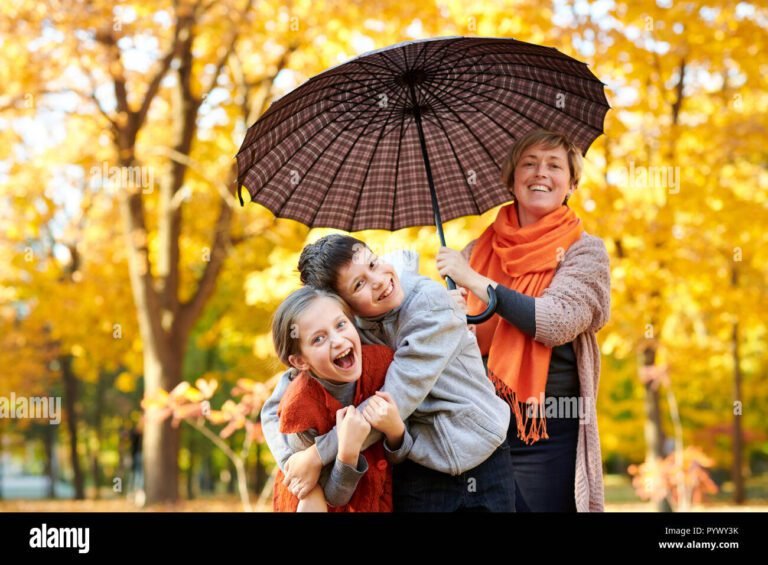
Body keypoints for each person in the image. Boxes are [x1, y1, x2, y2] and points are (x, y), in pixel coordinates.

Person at [262, 237, 515, 512]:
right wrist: (294, 466)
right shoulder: (347, 328)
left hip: (483, 452)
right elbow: (276, 405)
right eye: (358, 284)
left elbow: (395, 398)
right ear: (343, 305)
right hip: (416, 462)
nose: (379, 281)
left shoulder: (429, 303)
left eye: (373, 263)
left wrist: (316, 455)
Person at [436, 129, 611, 512]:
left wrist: (474, 281)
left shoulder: (586, 253)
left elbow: (555, 321)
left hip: (547, 431)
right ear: (512, 180)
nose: (540, 173)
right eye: (529, 164)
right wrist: (450, 316)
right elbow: (450, 340)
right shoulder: (475, 251)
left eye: (554, 166)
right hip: (479, 426)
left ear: (571, 183)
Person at [270, 286, 404, 512]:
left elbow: (401, 455)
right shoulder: (298, 409)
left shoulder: (383, 365)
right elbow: (333, 497)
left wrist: (396, 432)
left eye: (341, 325)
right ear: (301, 362)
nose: (338, 341)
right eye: (319, 339)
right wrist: (347, 452)